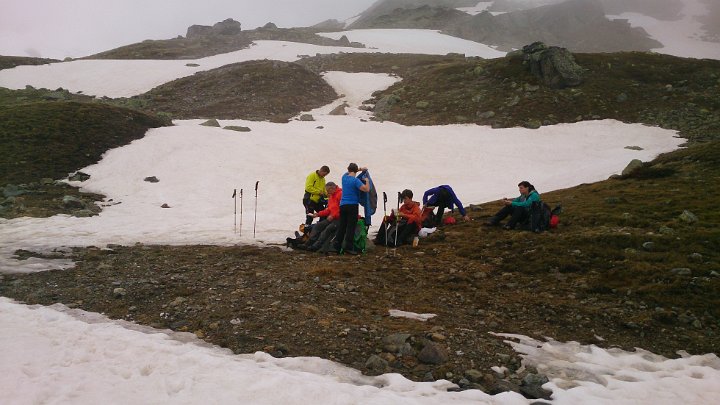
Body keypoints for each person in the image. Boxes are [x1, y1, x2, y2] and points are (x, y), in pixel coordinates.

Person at [333, 163, 370, 255]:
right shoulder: (355, 181)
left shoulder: (344, 177)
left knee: (342, 226)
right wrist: (367, 181)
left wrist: (360, 169)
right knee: (351, 227)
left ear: (348, 169)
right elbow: (366, 189)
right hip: (352, 205)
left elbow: (350, 172)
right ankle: (348, 247)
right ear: (356, 170)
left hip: (343, 205)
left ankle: (336, 246)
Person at [302, 182, 342, 251]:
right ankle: (308, 244)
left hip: (340, 218)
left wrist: (333, 215)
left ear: (332, 188)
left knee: (328, 228)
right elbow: (328, 210)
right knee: (318, 226)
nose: (327, 193)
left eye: (328, 190)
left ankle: (316, 246)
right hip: (332, 218)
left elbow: (342, 208)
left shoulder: (340, 194)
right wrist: (318, 214)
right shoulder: (331, 197)